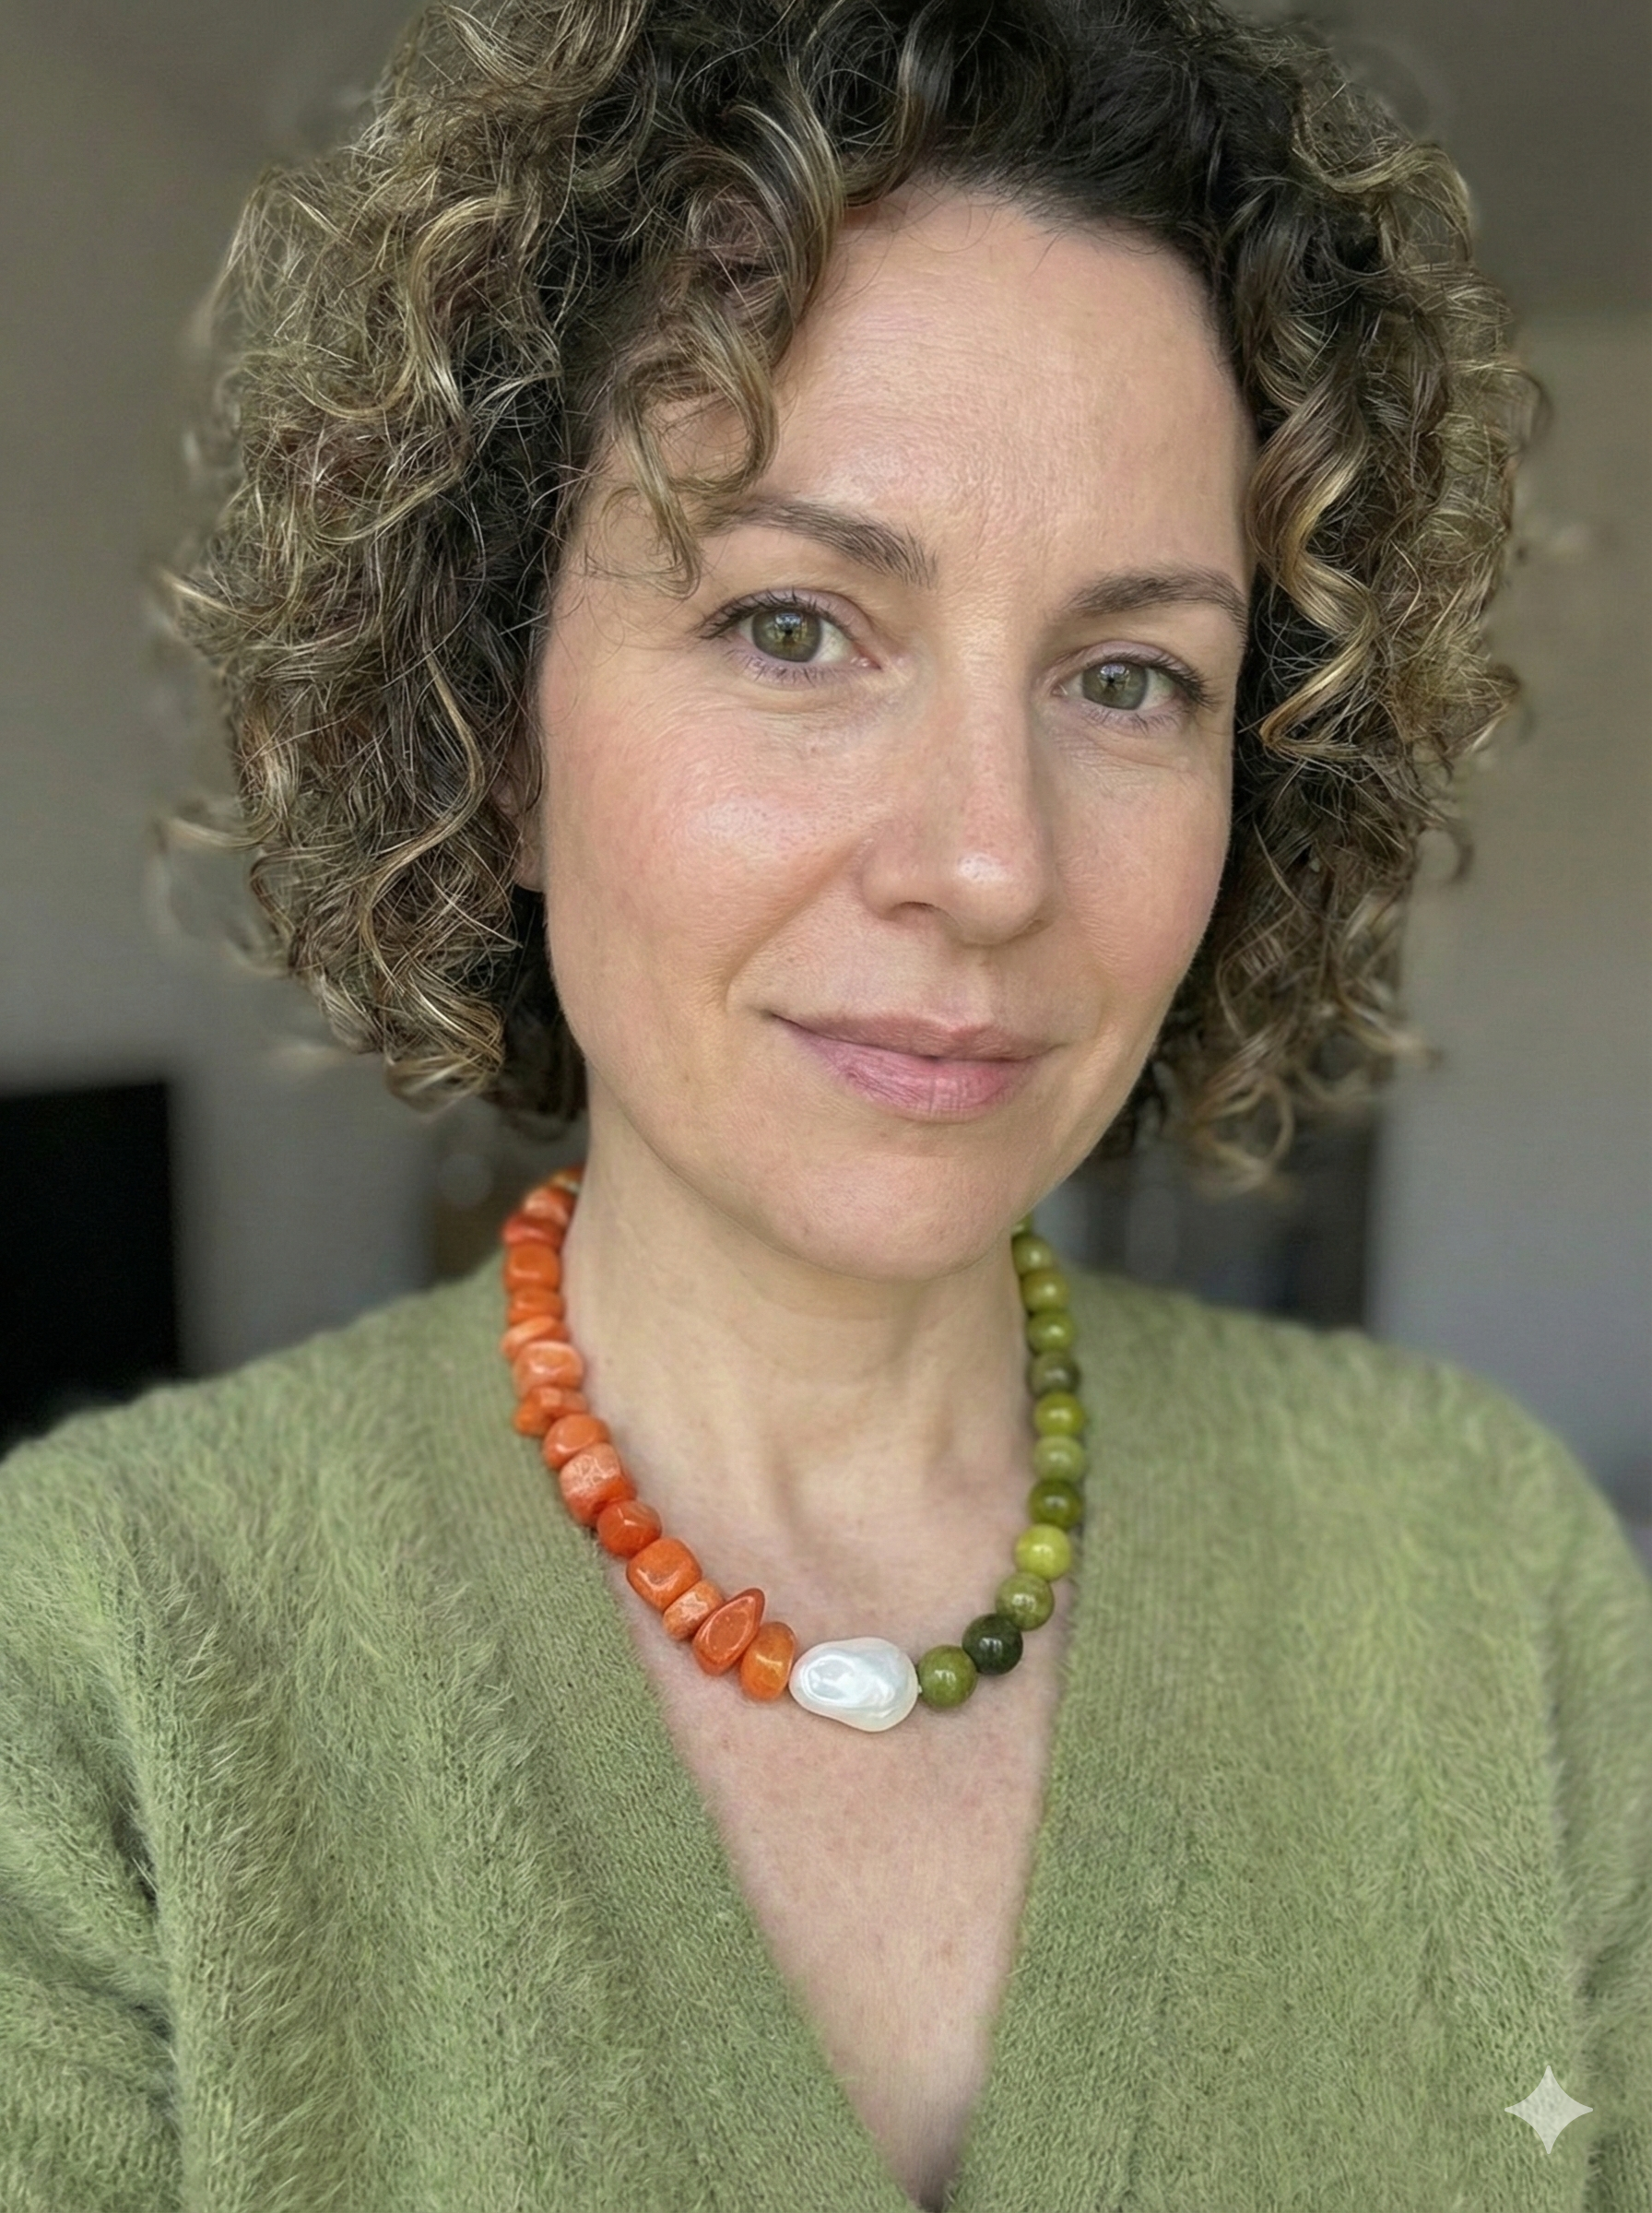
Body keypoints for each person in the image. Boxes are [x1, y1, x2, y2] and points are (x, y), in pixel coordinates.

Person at [2, 0, 1647, 2207]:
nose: (988, 863)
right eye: (794, 626)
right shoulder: (88, 1670)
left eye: (1127, 677)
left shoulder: (1485, 1575)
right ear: (497, 732)